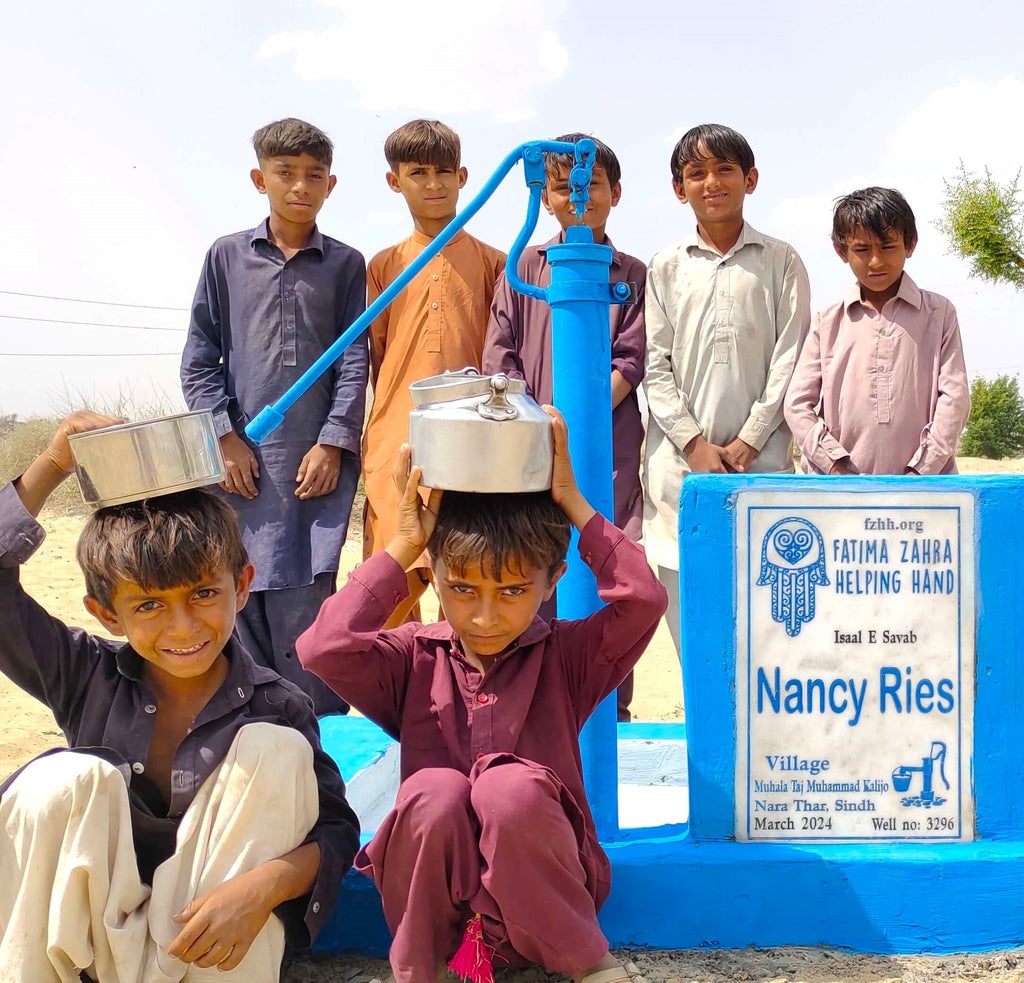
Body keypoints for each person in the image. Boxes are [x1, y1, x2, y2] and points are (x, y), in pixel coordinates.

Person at [297, 409, 667, 983]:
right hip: (442, 934)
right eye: (462, 588)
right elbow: (324, 646)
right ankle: (423, 972)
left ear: (554, 579)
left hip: (545, 918)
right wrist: (404, 544)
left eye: (514, 589)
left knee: (508, 788)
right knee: (433, 792)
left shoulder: (568, 658)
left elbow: (643, 599)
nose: (485, 615)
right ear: (435, 576)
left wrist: (573, 503)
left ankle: (592, 965)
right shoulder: (413, 658)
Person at [0, 411, 360, 982]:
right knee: (58, 782)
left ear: (241, 587)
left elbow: (338, 832)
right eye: (148, 605)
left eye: (203, 594)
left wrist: (263, 886)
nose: (183, 627)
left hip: (213, 951)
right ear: (106, 615)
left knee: (275, 750)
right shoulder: (84, 675)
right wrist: (53, 465)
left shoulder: (278, 705)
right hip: (97, 943)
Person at [180, 117, 368, 715]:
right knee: (236, 596)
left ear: (331, 185)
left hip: (312, 471)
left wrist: (333, 442)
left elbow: (354, 359)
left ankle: (320, 757)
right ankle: (246, 737)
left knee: (308, 606)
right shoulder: (226, 257)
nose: (300, 187)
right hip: (238, 469)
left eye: (314, 176)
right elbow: (199, 359)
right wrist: (225, 437)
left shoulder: (345, 265)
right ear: (260, 177)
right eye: (285, 174)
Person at [482, 131, 645, 720]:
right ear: (543, 198)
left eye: (590, 185)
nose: (578, 199)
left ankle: (608, 710)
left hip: (605, 452)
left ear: (615, 193)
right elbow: (500, 352)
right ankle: (535, 711)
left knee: (604, 568)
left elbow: (631, 357)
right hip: (530, 449)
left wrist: (575, 423)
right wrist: (537, 425)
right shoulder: (524, 264)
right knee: (536, 570)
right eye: (562, 188)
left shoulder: (633, 272)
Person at [644, 123, 811, 655]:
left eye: (724, 170)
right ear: (679, 188)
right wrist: (694, 444)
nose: (711, 182)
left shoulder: (781, 260)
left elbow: (794, 356)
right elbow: (654, 363)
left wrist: (752, 438)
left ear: (750, 179)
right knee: (692, 631)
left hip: (763, 469)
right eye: (696, 173)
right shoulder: (666, 266)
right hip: (679, 473)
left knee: (767, 631)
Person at [361, 118, 506, 627]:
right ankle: (400, 705)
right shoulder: (382, 265)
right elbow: (375, 357)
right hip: (394, 443)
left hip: (472, 445)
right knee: (392, 588)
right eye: (418, 172)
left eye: (444, 171)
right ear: (394, 181)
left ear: (464, 176)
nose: (433, 183)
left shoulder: (494, 263)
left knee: (468, 579)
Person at [784, 187, 971, 475]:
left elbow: (955, 399)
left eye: (887, 246)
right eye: (862, 249)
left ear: (910, 245)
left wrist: (921, 470)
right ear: (841, 250)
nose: (876, 261)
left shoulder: (939, 314)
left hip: (926, 492)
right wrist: (834, 464)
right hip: (837, 493)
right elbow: (797, 405)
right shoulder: (827, 322)